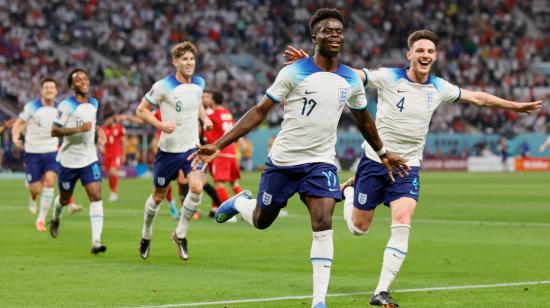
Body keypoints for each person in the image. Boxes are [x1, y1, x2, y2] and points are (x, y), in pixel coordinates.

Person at [285, 29, 543, 307]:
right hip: (375, 163)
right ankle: (349, 192)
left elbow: (478, 98)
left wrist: (514, 106)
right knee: (359, 229)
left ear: (435, 56)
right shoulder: (388, 77)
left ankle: (380, 291)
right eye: (420, 51)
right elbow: (351, 74)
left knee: (403, 221)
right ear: (410, 55)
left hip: (408, 167)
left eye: (430, 51)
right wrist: (313, 66)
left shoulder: (439, 87)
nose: (425, 55)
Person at [191, 9, 408, 308]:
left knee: (323, 221)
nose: (334, 35)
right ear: (314, 37)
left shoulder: (350, 79)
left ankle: (319, 301)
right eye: (327, 31)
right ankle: (240, 202)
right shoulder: (292, 72)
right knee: (261, 221)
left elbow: (363, 120)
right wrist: (218, 144)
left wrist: (383, 153)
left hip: (320, 163)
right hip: (283, 162)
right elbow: (259, 111)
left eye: (338, 31)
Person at [136, 41, 213, 261]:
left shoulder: (199, 82)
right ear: (175, 62)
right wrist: (160, 126)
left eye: (192, 59)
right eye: (184, 59)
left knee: (197, 187)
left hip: (191, 148)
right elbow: (141, 110)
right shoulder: (163, 86)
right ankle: (146, 234)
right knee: (158, 197)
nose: (189, 63)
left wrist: (205, 118)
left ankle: (180, 234)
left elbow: (197, 103)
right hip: (168, 151)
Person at [49, 68, 108, 254]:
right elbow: (54, 131)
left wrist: (98, 131)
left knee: (96, 195)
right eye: (78, 79)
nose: (83, 81)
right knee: (65, 199)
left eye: (85, 78)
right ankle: (56, 216)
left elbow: (91, 122)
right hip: (68, 160)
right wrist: (78, 129)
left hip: (89, 158)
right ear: (72, 86)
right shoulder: (66, 106)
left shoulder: (94, 103)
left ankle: (96, 241)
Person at [11, 77, 82, 231]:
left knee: (50, 182)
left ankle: (41, 219)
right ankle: (33, 196)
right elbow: (19, 123)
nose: (49, 90)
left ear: (56, 91)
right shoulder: (31, 107)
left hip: (51, 150)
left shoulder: (61, 109)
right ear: (41, 91)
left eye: (52, 87)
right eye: (46, 88)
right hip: (32, 152)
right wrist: (15, 137)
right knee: (36, 188)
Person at [202, 90, 242, 217]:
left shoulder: (213, 114)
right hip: (231, 152)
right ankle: (244, 210)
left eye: (208, 97)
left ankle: (229, 214)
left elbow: (202, 117)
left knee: (219, 183)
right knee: (234, 183)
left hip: (221, 153)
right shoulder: (227, 113)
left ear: (213, 100)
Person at [101, 114, 126, 202]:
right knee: (110, 175)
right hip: (106, 155)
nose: (107, 122)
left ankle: (114, 192)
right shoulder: (103, 129)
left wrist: (124, 154)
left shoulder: (119, 128)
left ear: (112, 119)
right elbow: (100, 143)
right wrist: (101, 148)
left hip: (116, 154)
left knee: (112, 172)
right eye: (105, 120)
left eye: (108, 119)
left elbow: (123, 142)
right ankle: (113, 192)